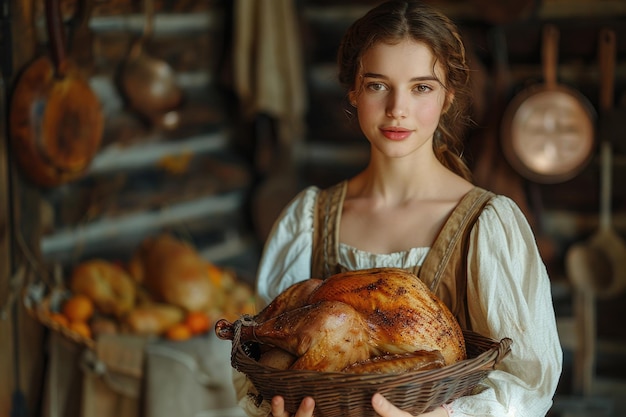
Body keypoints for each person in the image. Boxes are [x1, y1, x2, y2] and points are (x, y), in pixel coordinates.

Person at [237, 1, 563, 416]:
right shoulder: (309, 220)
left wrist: (446, 416)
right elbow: (255, 366)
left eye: (421, 87)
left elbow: (530, 379)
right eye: (377, 84)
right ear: (353, 91)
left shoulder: (486, 224)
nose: (397, 108)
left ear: (447, 97)